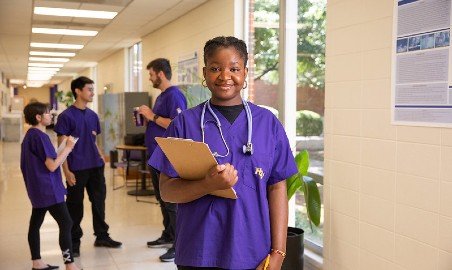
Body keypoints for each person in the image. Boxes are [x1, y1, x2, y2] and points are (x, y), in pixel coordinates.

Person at [149, 36, 298, 270]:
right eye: (216, 68)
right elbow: (167, 191)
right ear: (205, 73)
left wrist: (278, 251)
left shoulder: (267, 124)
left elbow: (277, 186)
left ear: (246, 72)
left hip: (253, 253)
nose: (225, 76)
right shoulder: (183, 124)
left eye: (234, 68)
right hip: (199, 252)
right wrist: (207, 185)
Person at [54, 76, 122, 258]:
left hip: (96, 167)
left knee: (99, 203)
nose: (92, 92)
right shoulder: (65, 117)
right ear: (78, 90)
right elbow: (61, 148)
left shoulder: (93, 116)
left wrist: (101, 156)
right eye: (89, 89)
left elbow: (94, 140)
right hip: (76, 168)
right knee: (75, 207)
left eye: (93, 89)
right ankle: (74, 242)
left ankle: (102, 236)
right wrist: (66, 171)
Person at [136, 58, 187, 262]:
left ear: (160, 74)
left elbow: (178, 124)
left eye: (151, 74)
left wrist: (152, 116)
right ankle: (168, 235)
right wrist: (147, 118)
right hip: (156, 155)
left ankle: (178, 243)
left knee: (171, 201)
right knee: (162, 199)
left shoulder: (174, 96)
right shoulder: (161, 96)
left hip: (168, 157)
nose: (150, 78)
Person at [21, 102, 80, 270]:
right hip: (49, 189)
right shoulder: (41, 136)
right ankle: (70, 265)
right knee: (67, 223)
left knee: (35, 224)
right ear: (39, 117)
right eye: (47, 114)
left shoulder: (29, 136)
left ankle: (37, 262)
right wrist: (68, 148)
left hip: (38, 189)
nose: (51, 116)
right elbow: (52, 166)